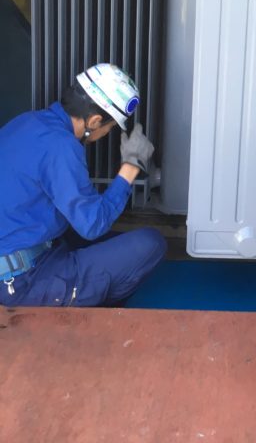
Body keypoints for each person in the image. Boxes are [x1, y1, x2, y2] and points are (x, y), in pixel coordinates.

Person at [0, 63, 166, 306]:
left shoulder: (26, 122)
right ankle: (90, 311)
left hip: (24, 250)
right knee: (151, 244)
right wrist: (131, 167)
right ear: (95, 121)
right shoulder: (61, 147)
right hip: (22, 281)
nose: (107, 133)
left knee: (111, 242)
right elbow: (93, 225)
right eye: (110, 127)